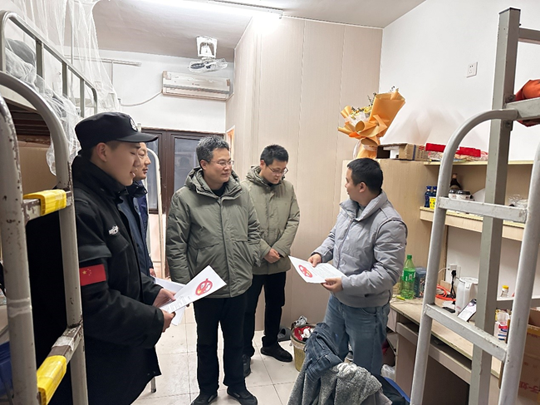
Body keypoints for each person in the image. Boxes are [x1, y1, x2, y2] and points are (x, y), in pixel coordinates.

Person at [71, 112, 176, 404]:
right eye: (132, 152)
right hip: (96, 366)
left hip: (114, 356)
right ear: (103, 151)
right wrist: (153, 320)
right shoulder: (81, 209)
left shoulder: (108, 198)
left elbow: (120, 267)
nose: (139, 161)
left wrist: (150, 290)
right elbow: (92, 303)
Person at [166, 136, 261, 405]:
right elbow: (176, 244)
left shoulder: (241, 193)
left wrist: (250, 256)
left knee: (236, 341)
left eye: (229, 161)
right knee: (206, 343)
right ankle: (207, 389)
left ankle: (237, 385)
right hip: (205, 288)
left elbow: (254, 229)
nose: (227, 167)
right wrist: (185, 288)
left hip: (238, 283)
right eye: (221, 162)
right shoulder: (184, 198)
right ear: (204, 164)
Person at [308, 158, 406, 375]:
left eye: (347, 181)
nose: (345, 185)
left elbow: (387, 274)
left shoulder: (389, 223)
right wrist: (320, 253)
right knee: (328, 359)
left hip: (366, 311)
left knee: (365, 373)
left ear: (361, 186)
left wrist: (345, 284)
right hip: (337, 302)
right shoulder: (349, 209)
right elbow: (334, 237)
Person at [241, 145, 300, 376]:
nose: (279, 175)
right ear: (262, 164)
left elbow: (294, 219)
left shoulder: (288, 188)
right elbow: (242, 224)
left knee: (276, 303)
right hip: (253, 262)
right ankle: (245, 352)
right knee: (247, 309)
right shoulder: (244, 189)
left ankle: (271, 343)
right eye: (275, 170)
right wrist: (264, 250)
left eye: (283, 170)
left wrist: (279, 249)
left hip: (278, 262)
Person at [118, 141, 156, 277]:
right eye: (140, 154)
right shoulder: (113, 196)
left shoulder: (137, 191)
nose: (148, 161)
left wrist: (148, 265)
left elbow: (140, 237)